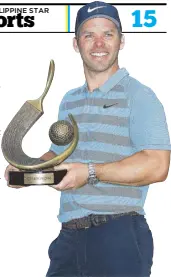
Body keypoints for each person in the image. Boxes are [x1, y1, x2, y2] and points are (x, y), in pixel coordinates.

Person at [4, 1, 171, 276]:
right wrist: (28, 169)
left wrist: (91, 172)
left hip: (118, 236)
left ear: (121, 41)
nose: (98, 43)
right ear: (76, 43)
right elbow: (59, 155)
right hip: (68, 239)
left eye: (108, 34)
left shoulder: (140, 96)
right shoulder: (70, 100)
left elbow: (157, 165)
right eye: (88, 35)